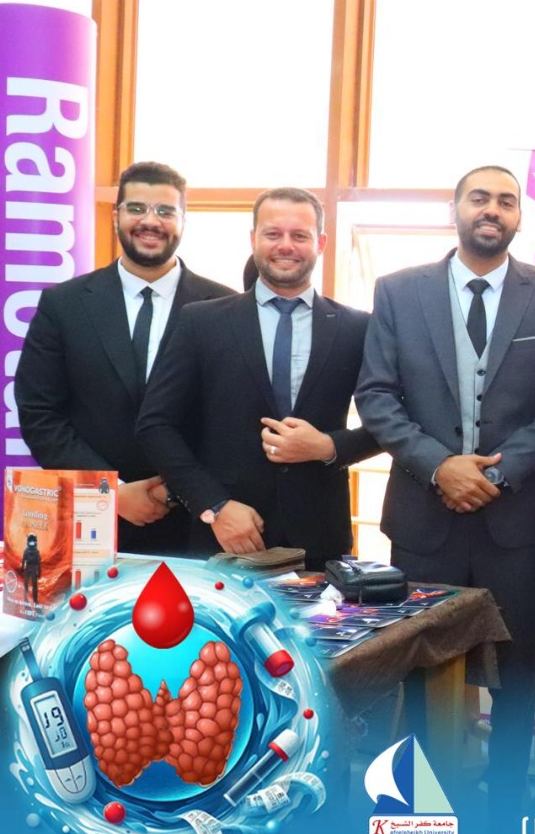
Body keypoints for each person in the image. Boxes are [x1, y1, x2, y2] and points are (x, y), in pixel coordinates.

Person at [354, 165, 535, 808]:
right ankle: (422, 807)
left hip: (515, 523)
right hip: (424, 519)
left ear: (519, 217)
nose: (493, 210)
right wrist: (440, 466)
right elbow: (377, 395)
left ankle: (506, 809)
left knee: (517, 670)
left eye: (507, 201)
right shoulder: (399, 291)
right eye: (480, 198)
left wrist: (496, 474)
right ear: (454, 209)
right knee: (422, 669)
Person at [137, 188, 378, 568]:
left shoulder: (357, 327)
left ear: (321, 243)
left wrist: (327, 446)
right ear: (253, 239)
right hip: (223, 536)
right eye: (272, 234)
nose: (286, 245)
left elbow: (390, 423)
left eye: (299, 235)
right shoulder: (201, 321)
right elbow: (155, 425)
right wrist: (213, 505)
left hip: (319, 539)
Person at [16, 161, 235, 554]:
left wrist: (177, 490)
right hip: (91, 526)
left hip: (198, 525)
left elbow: (232, 419)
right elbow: (40, 413)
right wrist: (110, 491)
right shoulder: (64, 305)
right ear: (116, 215)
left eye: (165, 211)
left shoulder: (225, 307)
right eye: (136, 208)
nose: (150, 221)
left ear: (183, 221)